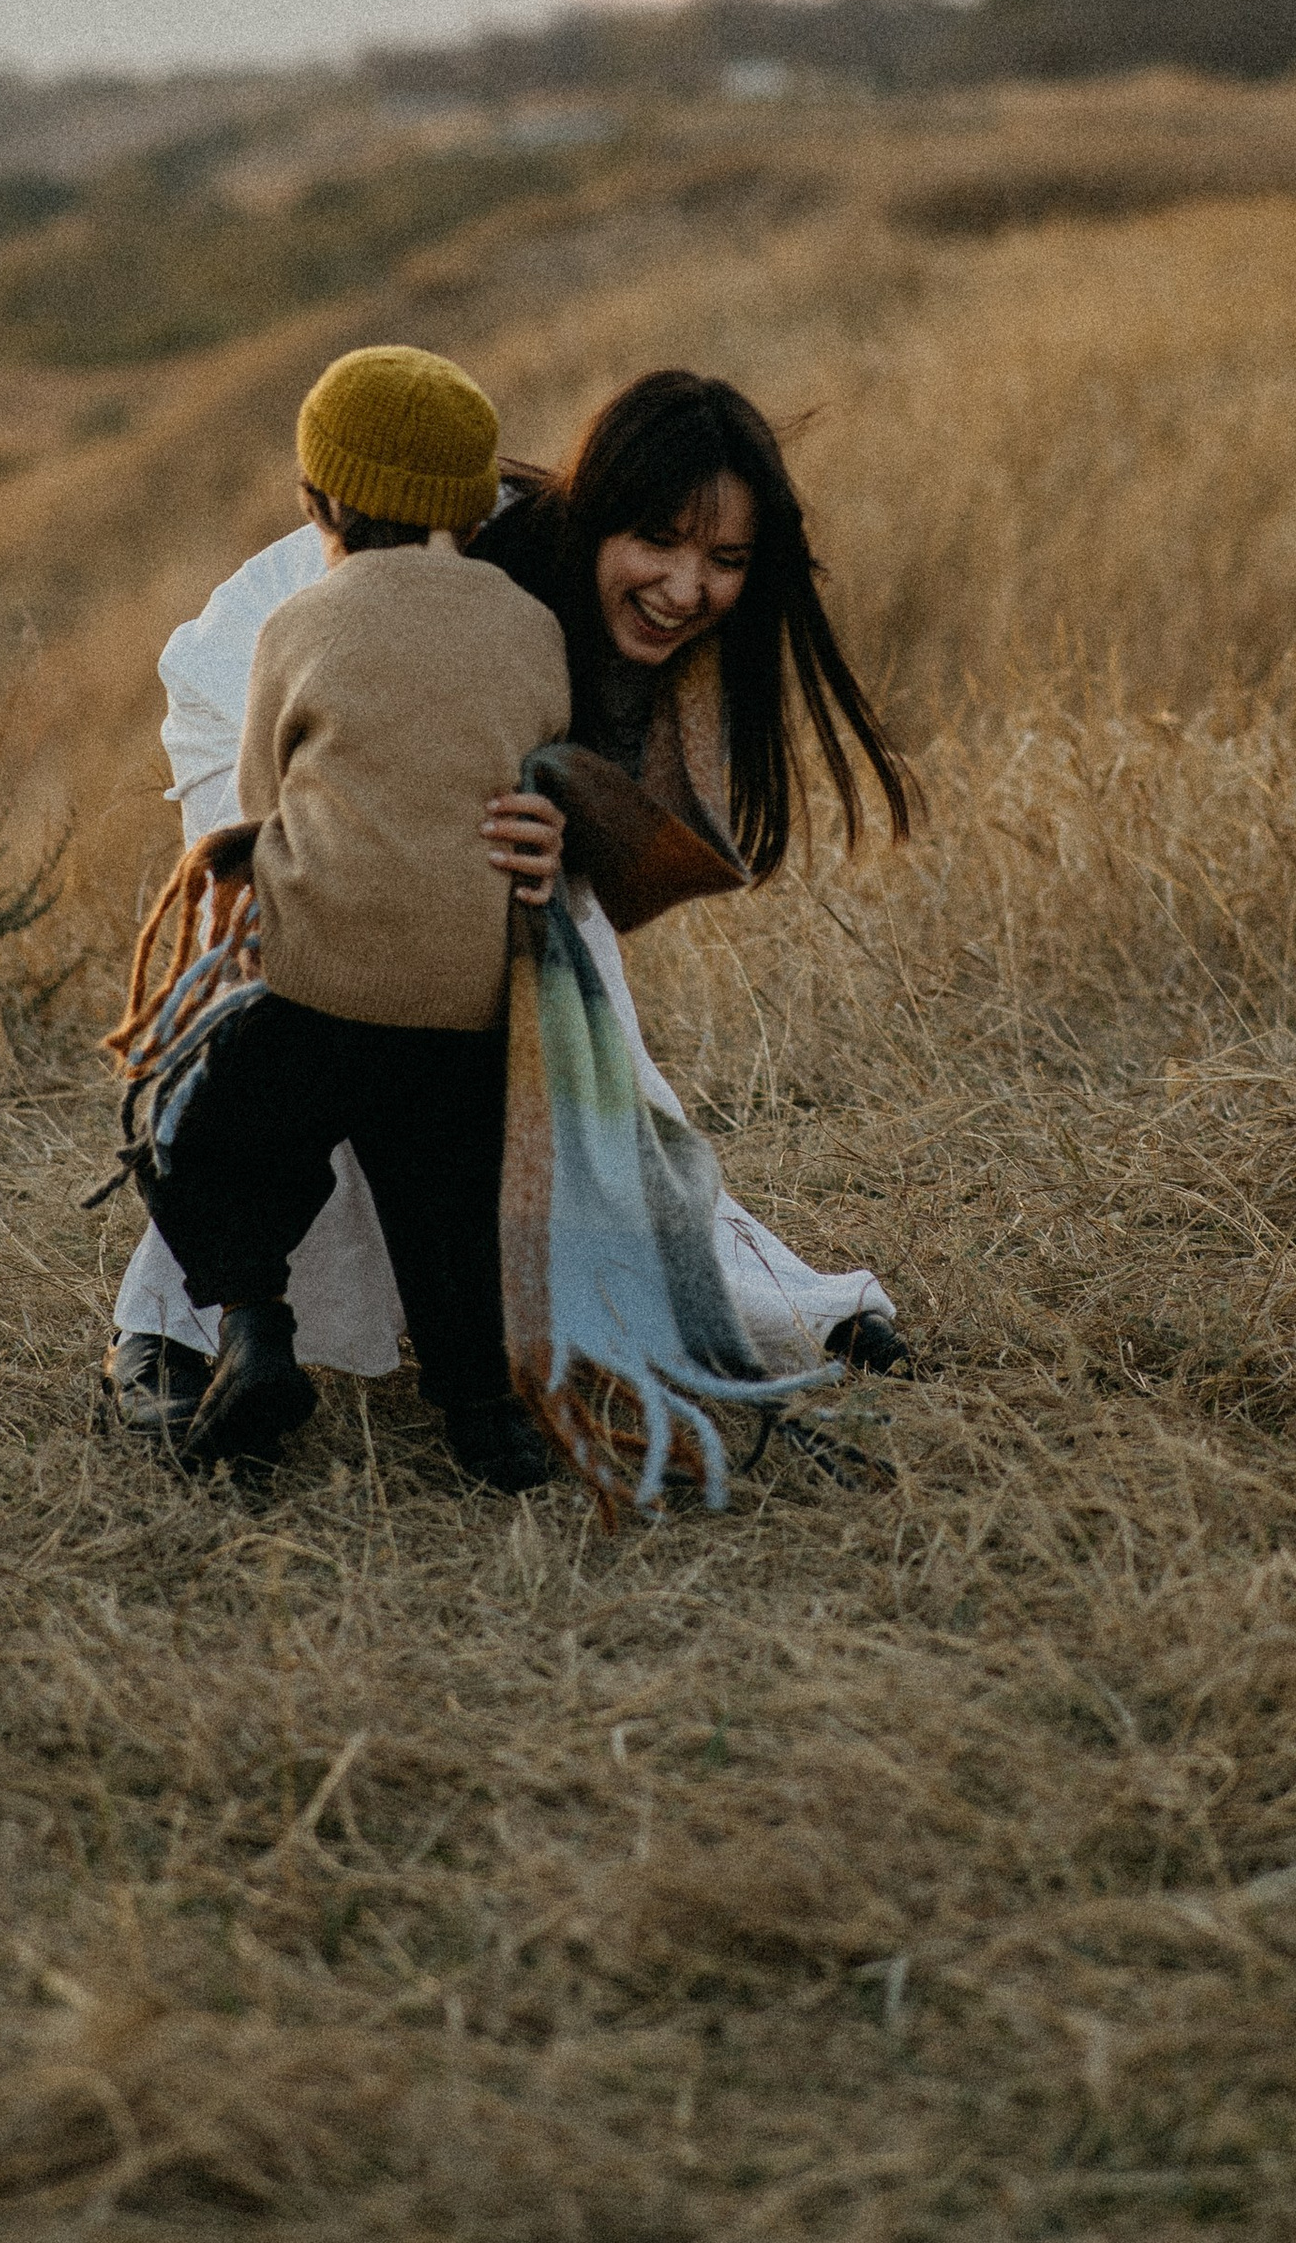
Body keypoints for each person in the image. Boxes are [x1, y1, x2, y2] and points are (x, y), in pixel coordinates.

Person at [99, 367, 915, 1449]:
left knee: (555, 1024)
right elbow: (328, 769)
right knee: (307, 998)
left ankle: (691, 1301)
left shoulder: (617, 634)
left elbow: (615, 825)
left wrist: (561, 824)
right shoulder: (476, 566)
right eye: (657, 542)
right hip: (273, 680)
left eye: (725, 560)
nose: (687, 588)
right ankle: (174, 1330)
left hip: (426, 773)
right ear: (596, 517)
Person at [137, 343, 571, 1491]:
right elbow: (539, 758)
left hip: (323, 987)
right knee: (449, 1212)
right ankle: (489, 1425)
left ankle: (255, 1332)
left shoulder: (298, 624)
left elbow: (262, 803)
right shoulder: (532, 628)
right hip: (470, 1002)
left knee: (199, 1143)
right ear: (474, 505)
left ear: (316, 499)